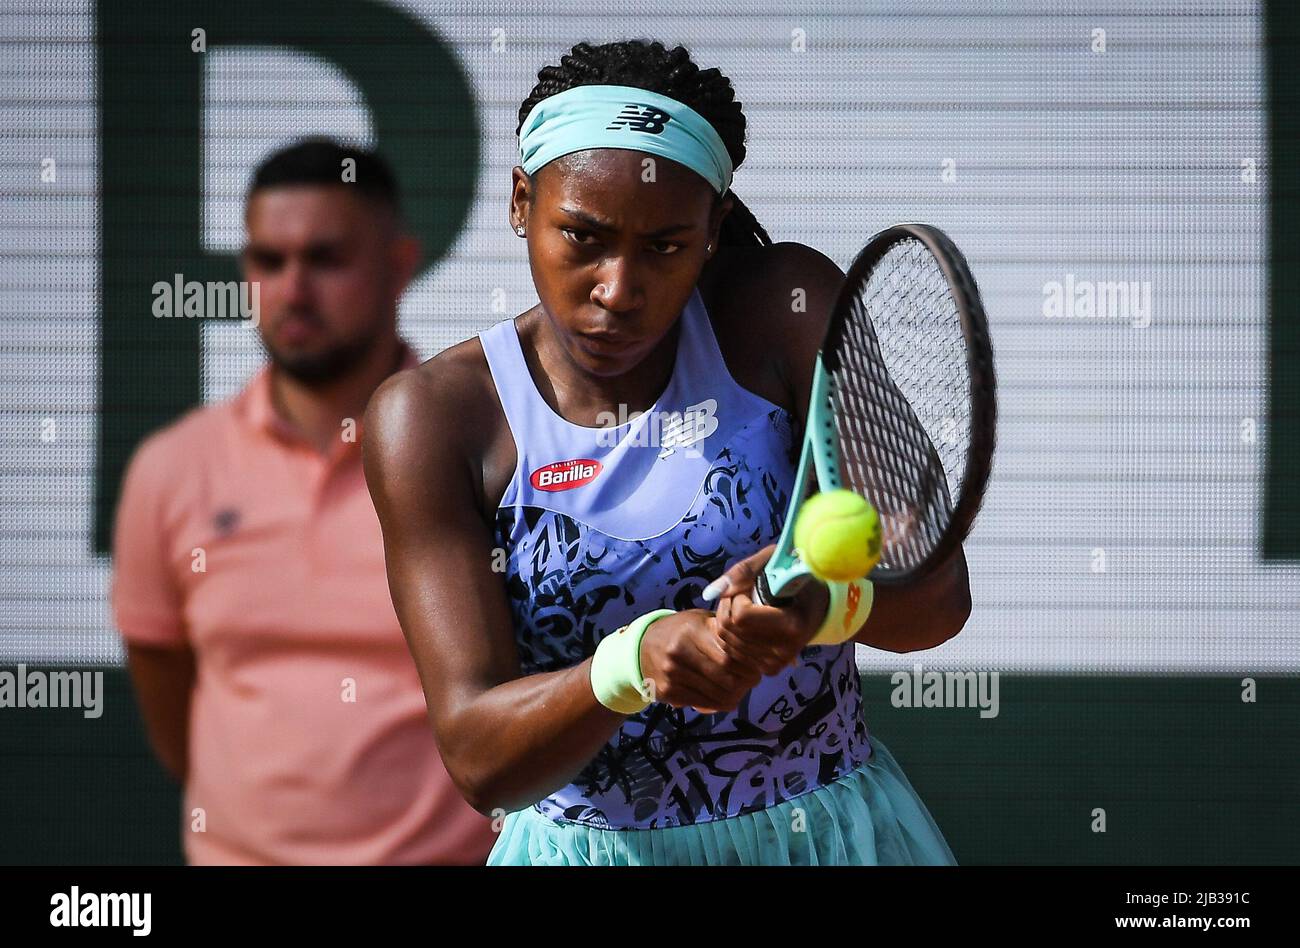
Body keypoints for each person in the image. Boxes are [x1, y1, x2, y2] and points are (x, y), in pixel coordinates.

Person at [364, 41, 970, 865]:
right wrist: (630, 664)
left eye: (665, 246)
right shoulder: (431, 419)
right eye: (582, 235)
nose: (618, 288)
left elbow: (938, 603)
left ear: (715, 230)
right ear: (519, 202)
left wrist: (814, 613)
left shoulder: (783, 309)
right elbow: (480, 761)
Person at [111, 139, 495, 865]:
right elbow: (169, 700)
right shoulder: (171, 469)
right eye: (267, 261)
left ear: (399, 266)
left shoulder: (483, 453)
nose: (292, 289)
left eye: (325, 258)